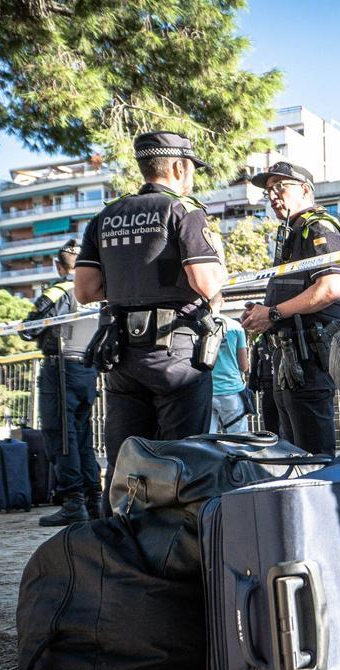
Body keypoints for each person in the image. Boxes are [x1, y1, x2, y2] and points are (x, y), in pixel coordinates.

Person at [73, 131, 227, 512]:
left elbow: (85, 291)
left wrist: (130, 282)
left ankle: (119, 548)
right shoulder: (184, 210)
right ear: (178, 167)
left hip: (122, 354)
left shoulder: (106, 215)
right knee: (183, 460)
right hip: (176, 352)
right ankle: (181, 550)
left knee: (126, 463)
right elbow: (205, 283)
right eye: (190, 169)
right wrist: (220, 261)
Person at [240, 161, 340, 456]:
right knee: (285, 457)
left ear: (304, 189)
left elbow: (329, 289)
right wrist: (261, 311)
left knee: (315, 461)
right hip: (285, 362)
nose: (273, 196)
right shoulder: (291, 233)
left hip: (308, 359)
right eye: (268, 192)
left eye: (279, 188)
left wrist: (273, 313)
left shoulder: (319, 227)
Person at [19, 239, 103, 524]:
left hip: (61, 371)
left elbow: (28, 330)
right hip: (88, 371)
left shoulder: (59, 291)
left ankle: (72, 502)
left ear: (59, 266)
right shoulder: (99, 291)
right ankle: (95, 501)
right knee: (82, 439)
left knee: (61, 437)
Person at [210, 315, 250, 433]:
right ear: (221, 301)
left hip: (205, 392)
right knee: (239, 440)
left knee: (205, 440)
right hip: (231, 391)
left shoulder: (198, 323)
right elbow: (244, 366)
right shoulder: (236, 327)